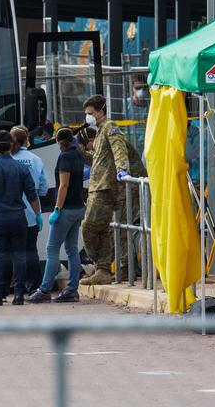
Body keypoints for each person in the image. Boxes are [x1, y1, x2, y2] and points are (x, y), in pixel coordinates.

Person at [79, 95, 145, 285]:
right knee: (108, 228)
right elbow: (100, 160)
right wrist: (80, 151)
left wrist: (123, 170)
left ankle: (111, 268)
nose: (87, 117)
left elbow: (119, 150)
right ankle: (106, 268)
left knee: (93, 225)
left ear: (100, 112)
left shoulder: (111, 128)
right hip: (104, 186)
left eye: (90, 113)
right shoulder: (100, 132)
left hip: (114, 186)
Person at [0, 130, 41, 306]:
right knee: (19, 256)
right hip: (18, 217)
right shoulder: (21, 168)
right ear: (11, 146)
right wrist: (37, 214)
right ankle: (19, 294)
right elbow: (32, 195)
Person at [27, 127, 86, 303]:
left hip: (66, 209)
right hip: (78, 207)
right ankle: (72, 290)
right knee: (72, 249)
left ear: (59, 142)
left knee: (52, 249)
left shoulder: (65, 157)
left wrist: (57, 209)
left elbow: (64, 185)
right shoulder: (78, 155)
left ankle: (44, 289)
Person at [10, 125, 49, 293]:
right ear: (27, 140)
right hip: (31, 213)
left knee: (13, 250)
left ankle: (16, 283)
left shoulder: (7, 159)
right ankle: (33, 283)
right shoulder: (35, 160)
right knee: (31, 249)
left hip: (10, 212)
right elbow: (43, 188)